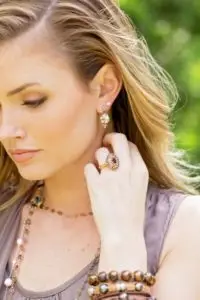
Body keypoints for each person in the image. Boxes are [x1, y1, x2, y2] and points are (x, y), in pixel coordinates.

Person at [0, 0, 199, 299]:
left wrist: (122, 245)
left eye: (32, 101)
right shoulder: (6, 212)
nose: (5, 132)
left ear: (105, 87)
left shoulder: (183, 230)